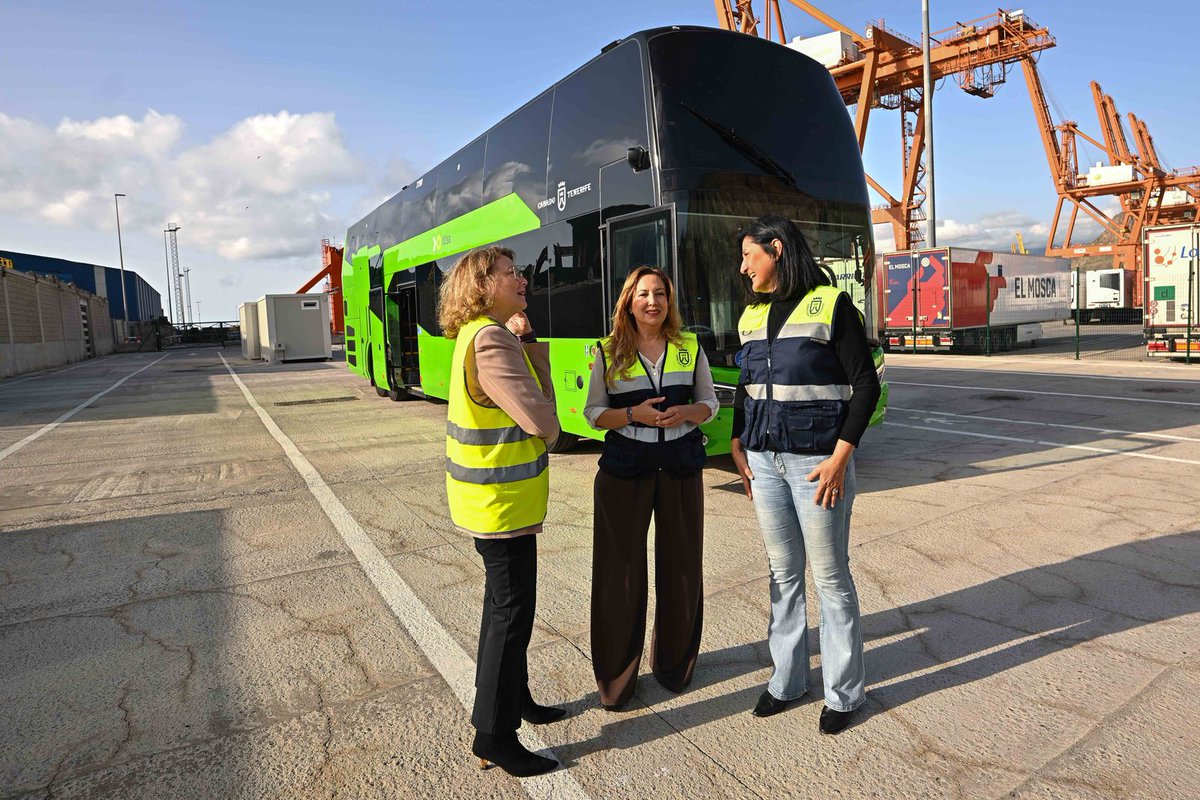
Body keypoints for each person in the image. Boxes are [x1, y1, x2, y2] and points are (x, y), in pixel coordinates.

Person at [728, 215, 881, 735]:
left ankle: (844, 693)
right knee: (783, 574)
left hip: (819, 466)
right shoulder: (751, 315)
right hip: (765, 463)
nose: (742, 266)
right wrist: (736, 439)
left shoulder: (832, 305)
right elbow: (746, 384)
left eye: (749, 255)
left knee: (831, 578)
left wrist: (841, 457)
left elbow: (865, 387)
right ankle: (787, 680)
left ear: (776, 250)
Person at [439, 245, 565, 777]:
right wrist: (553, 424)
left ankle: (516, 699)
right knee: (510, 617)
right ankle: (494, 733)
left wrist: (528, 337)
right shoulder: (491, 340)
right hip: (500, 504)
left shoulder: (480, 334)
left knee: (505, 611)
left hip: (494, 501)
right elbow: (541, 417)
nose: (522, 279)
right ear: (482, 285)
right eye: (510, 273)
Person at [585, 266, 719, 709]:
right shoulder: (608, 352)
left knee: (681, 570)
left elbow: (710, 403)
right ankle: (617, 681)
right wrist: (631, 416)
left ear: (669, 301)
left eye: (660, 293)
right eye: (643, 294)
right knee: (619, 577)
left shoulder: (689, 346)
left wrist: (688, 414)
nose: (652, 301)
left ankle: (674, 667)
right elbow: (593, 413)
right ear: (629, 301)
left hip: (680, 468)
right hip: (625, 471)